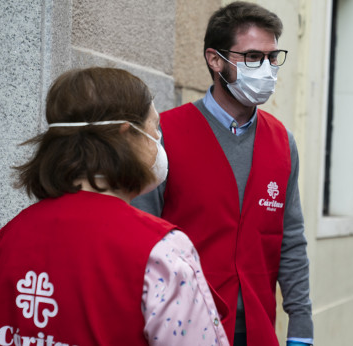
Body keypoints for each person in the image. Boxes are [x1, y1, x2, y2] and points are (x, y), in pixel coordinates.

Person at [0, 67, 229, 346]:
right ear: (126, 135)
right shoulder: (161, 250)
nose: (158, 140)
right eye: (155, 128)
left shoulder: (4, 241)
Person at [131, 2, 313, 345]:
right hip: (180, 328)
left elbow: (291, 241)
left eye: (273, 58)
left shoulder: (282, 143)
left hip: (256, 330)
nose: (267, 69)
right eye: (253, 57)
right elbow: (140, 238)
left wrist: (301, 326)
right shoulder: (165, 135)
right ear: (215, 60)